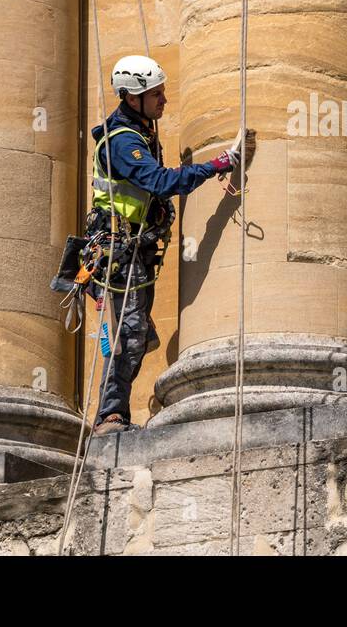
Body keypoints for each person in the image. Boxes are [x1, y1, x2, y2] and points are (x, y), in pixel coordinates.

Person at [89, 54, 254, 434]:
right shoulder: (122, 143)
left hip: (135, 253)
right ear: (133, 99)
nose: (164, 100)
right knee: (129, 335)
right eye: (156, 94)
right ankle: (110, 417)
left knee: (137, 333)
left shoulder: (141, 130)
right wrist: (218, 165)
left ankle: (113, 409)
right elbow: (162, 183)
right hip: (120, 255)